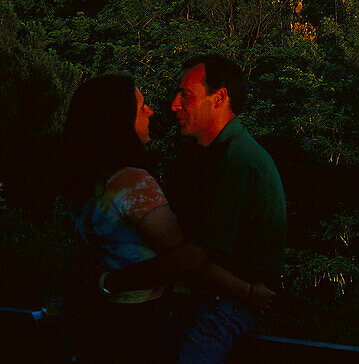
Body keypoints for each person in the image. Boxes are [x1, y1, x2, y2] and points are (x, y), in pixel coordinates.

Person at [62, 75, 273, 363]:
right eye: (141, 107)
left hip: (106, 317)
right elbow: (186, 260)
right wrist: (247, 291)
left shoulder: (85, 183)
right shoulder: (131, 182)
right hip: (143, 323)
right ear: (118, 120)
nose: (151, 111)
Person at [166, 54, 287, 362]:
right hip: (208, 294)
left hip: (226, 304)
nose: (174, 105)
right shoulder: (200, 154)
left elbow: (193, 257)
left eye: (186, 96)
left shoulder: (236, 161)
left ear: (219, 98)